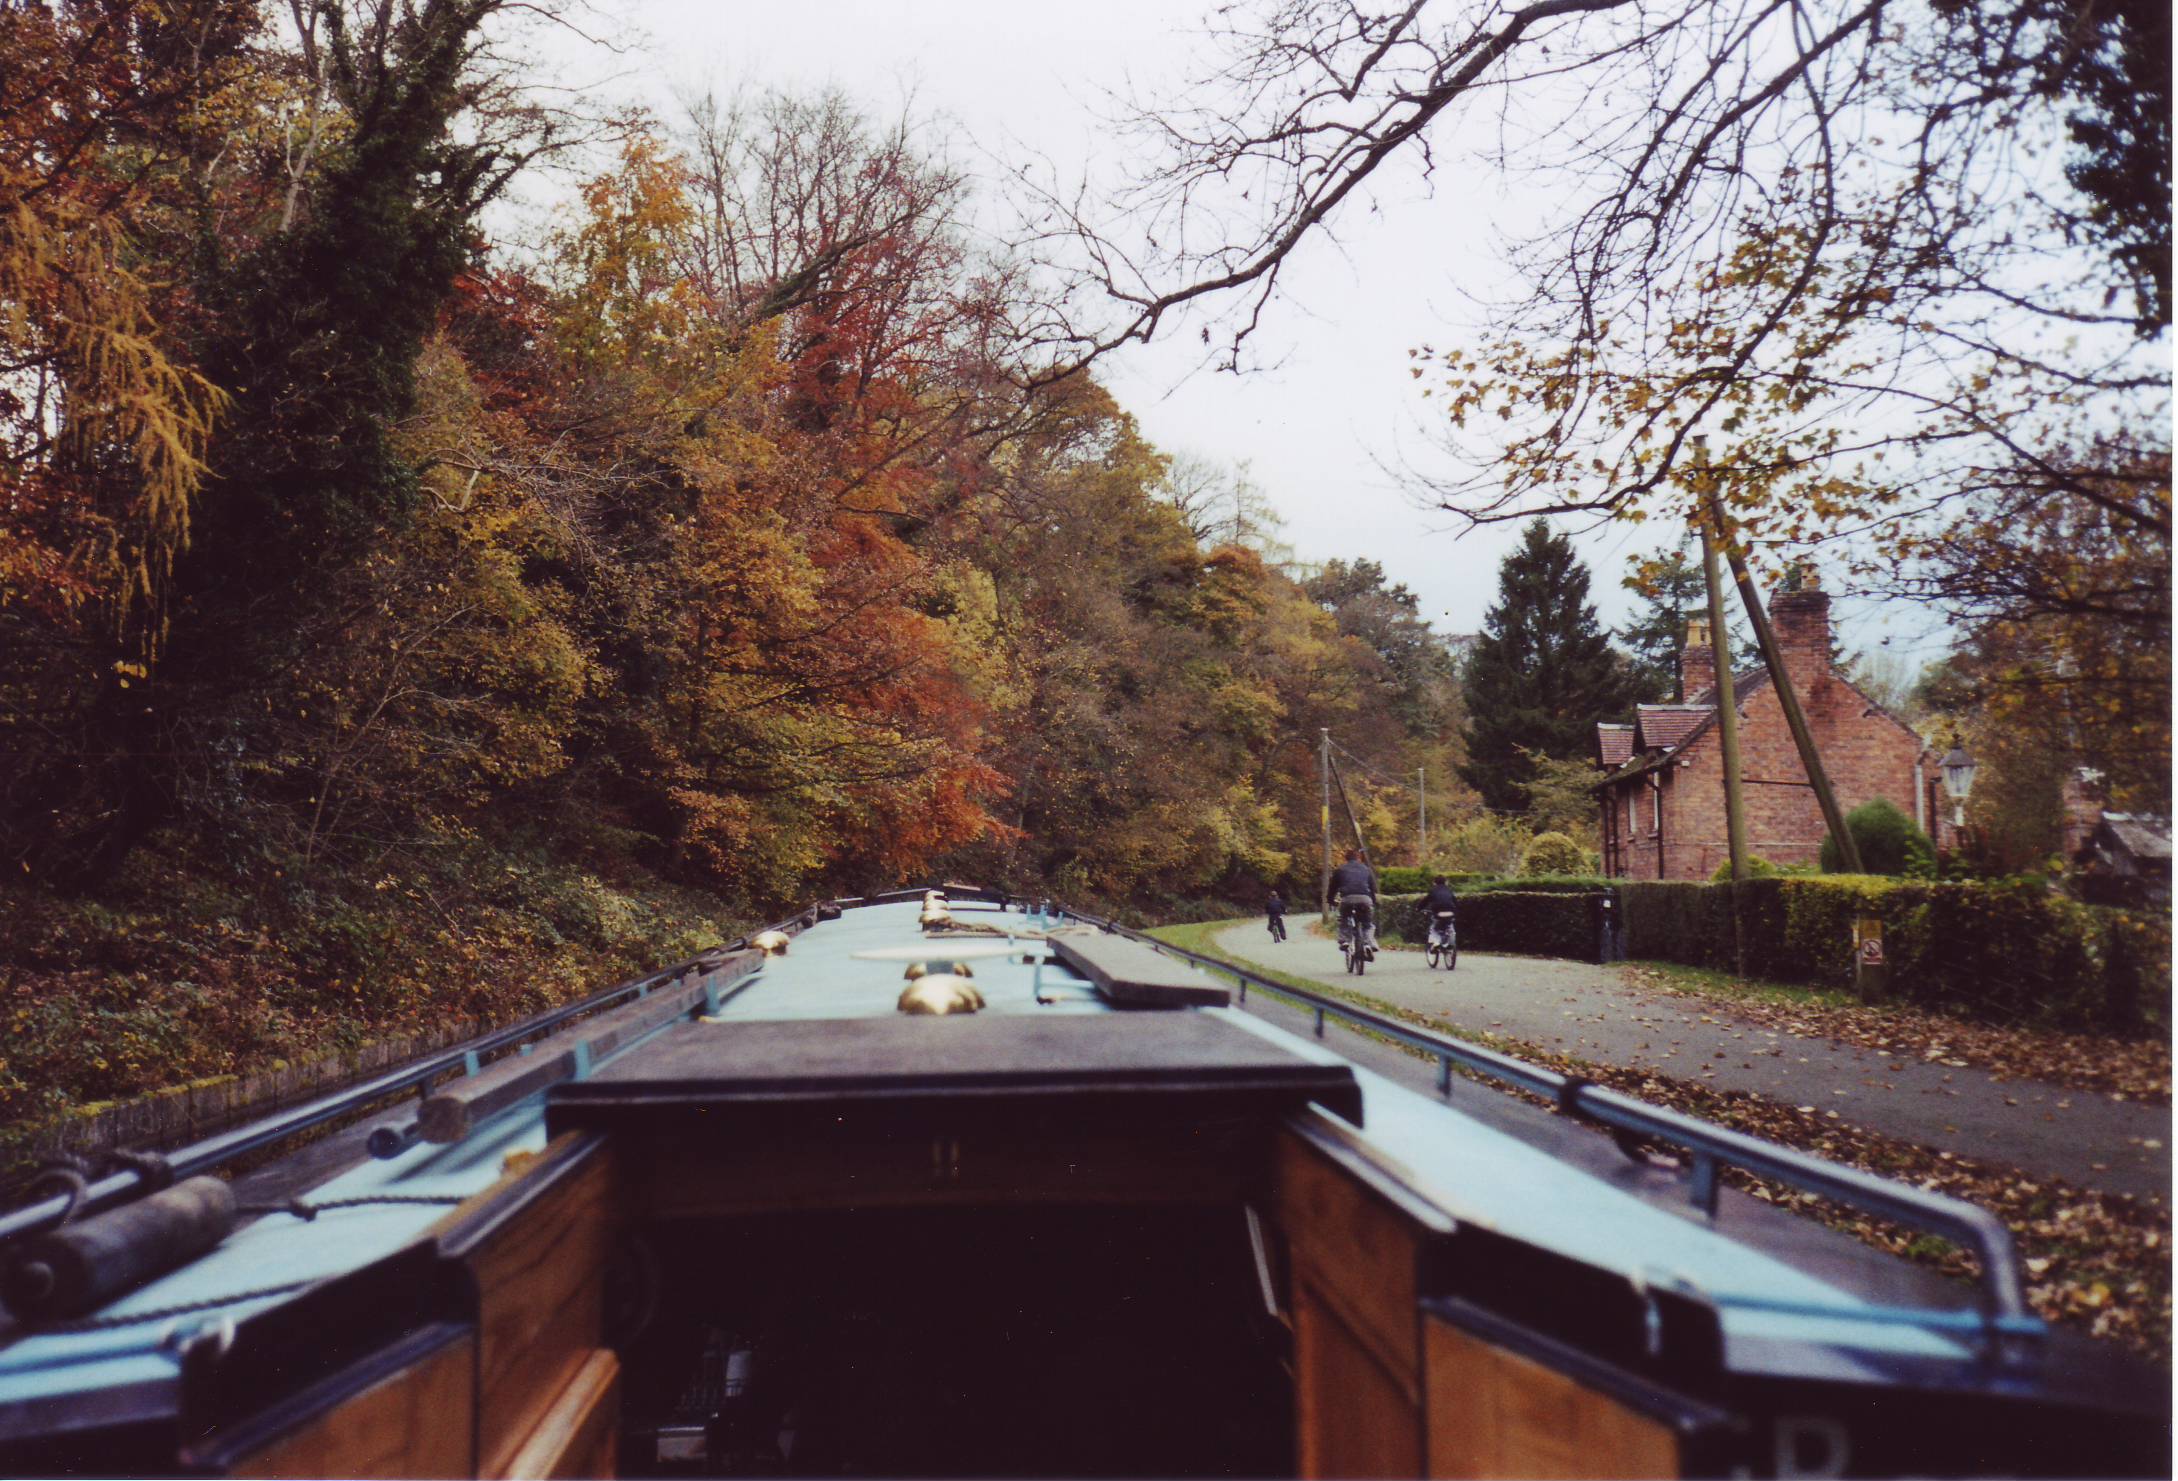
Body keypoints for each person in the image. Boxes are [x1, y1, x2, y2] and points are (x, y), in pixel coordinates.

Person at [1325, 848, 1378, 958]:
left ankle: (1345, 940)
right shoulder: (1366, 869)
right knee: (1367, 924)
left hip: (1347, 899)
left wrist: (1330, 900)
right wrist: (1373, 901)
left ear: (1346, 858)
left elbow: (1332, 888)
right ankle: (1369, 943)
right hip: (1365, 899)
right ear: (1358, 858)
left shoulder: (1340, 870)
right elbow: (1373, 888)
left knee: (1344, 919)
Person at [1423, 875, 1458, 954]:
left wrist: (1418, 908)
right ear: (1445, 882)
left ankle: (1436, 943)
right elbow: (1455, 901)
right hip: (1450, 912)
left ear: (1434, 883)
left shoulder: (1433, 890)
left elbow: (1425, 901)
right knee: (1450, 926)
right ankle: (1451, 943)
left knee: (1434, 928)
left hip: (1439, 913)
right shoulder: (1449, 890)